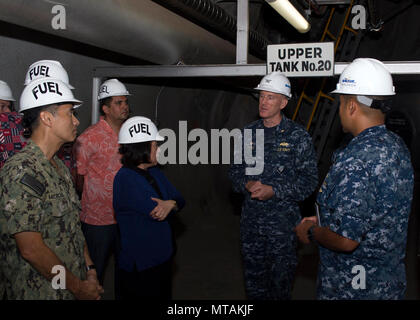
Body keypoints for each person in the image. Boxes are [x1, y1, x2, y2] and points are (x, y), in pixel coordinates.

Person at [295, 58, 414, 300]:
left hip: (352, 288)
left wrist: (312, 231)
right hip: (387, 284)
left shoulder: (356, 159)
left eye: (340, 103)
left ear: (351, 107)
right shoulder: (397, 146)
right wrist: (325, 218)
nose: (339, 110)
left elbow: (346, 240)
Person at [0, 78, 103, 299]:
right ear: (47, 118)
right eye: (70, 113)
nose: (76, 121)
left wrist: (90, 271)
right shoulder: (22, 171)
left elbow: (73, 229)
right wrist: (77, 287)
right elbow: (31, 250)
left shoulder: (58, 167)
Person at [229, 72, 318, 300]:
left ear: (284, 102)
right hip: (251, 228)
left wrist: (275, 190)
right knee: (254, 288)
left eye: (271, 97)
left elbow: (309, 181)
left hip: (283, 230)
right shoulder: (248, 134)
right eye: (261, 96)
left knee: (279, 289)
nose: (264, 102)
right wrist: (246, 183)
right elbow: (234, 173)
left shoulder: (298, 137)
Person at [113, 116, 185, 299]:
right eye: (154, 145)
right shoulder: (125, 178)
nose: (158, 149)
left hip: (161, 259)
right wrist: (170, 204)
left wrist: (172, 203)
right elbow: (157, 211)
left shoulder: (154, 172)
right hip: (141, 266)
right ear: (142, 148)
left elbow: (180, 199)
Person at [73, 78, 130, 286]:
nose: (124, 107)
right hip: (98, 220)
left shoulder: (129, 135)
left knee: (126, 269)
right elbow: (78, 176)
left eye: (125, 102)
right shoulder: (89, 138)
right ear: (105, 108)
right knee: (94, 271)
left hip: (124, 215)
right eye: (118, 103)